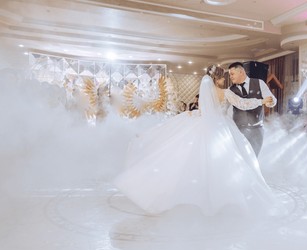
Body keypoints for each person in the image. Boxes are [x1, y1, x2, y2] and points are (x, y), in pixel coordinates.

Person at [114, 65, 281, 217]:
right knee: (229, 163)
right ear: (219, 79)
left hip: (208, 126)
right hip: (221, 128)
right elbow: (243, 104)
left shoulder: (206, 93)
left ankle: (198, 195)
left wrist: (190, 114)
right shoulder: (225, 92)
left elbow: (202, 111)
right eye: (224, 76)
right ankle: (225, 197)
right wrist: (260, 101)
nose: (226, 79)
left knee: (197, 162)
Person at [228, 62, 277, 155]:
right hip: (239, 130)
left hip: (257, 130)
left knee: (254, 157)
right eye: (230, 74)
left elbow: (271, 98)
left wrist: (271, 102)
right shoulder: (230, 90)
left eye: (232, 74)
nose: (230, 76)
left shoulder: (259, 83)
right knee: (241, 157)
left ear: (241, 72)